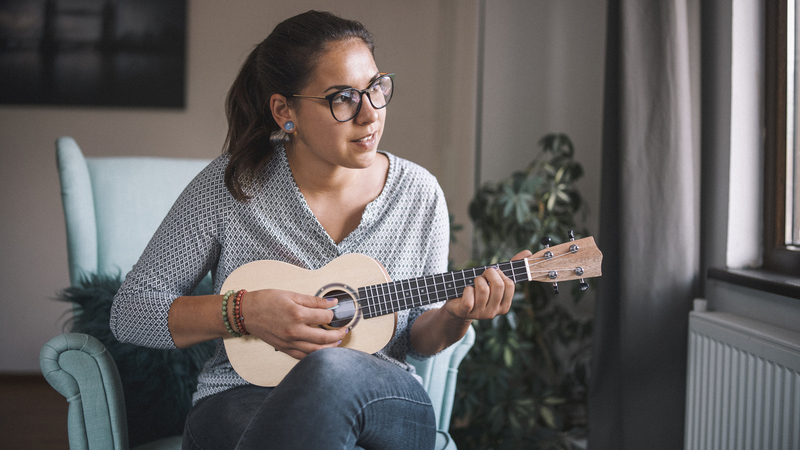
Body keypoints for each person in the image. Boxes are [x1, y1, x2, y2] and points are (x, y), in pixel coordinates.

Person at [110, 10, 530, 450]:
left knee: (330, 368)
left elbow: (416, 340)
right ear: (283, 110)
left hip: (383, 400)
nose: (370, 115)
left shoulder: (419, 193)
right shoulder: (229, 187)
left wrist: (454, 316)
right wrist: (243, 312)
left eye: (376, 88)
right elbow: (132, 314)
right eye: (343, 98)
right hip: (242, 399)